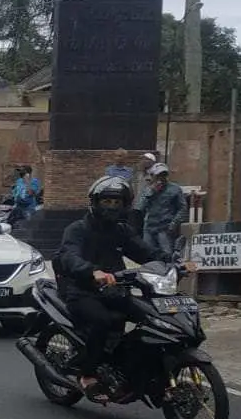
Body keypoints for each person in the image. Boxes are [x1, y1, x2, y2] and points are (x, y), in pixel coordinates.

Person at [56, 176, 172, 397]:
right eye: (107, 202)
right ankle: (87, 373)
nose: (112, 207)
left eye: (117, 203)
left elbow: (145, 251)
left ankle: (130, 366)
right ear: (95, 202)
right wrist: (92, 271)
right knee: (103, 321)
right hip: (82, 292)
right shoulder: (77, 229)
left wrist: (172, 261)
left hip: (115, 291)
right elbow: (69, 256)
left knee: (150, 316)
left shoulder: (122, 231)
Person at [141, 162, 188, 260]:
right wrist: (151, 192)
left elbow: (183, 208)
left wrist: (174, 224)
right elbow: (140, 207)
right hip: (149, 228)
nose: (161, 178)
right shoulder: (147, 189)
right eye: (159, 175)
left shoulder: (175, 189)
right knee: (147, 255)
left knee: (167, 255)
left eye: (164, 175)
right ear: (153, 176)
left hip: (165, 228)